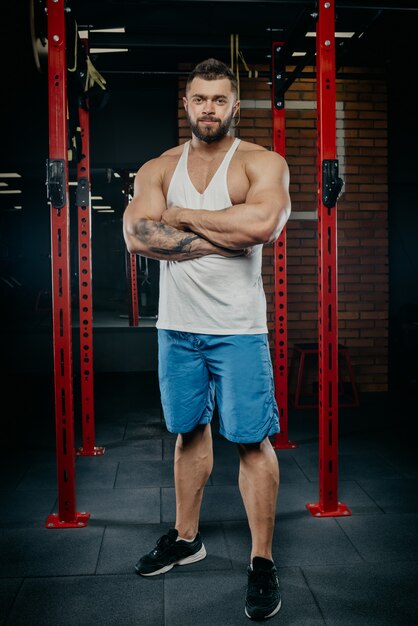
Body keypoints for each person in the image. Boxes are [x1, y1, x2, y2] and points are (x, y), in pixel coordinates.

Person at [123, 58, 291, 621]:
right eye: (200, 99)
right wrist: (224, 231)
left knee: (250, 440)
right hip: (178, 326)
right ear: (187, 104)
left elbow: (261, 225)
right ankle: (186, 538)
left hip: (239, 330)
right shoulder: (160, 165)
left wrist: (182, 216)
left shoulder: (259, 162)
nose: (209, 109)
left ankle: (261, 561)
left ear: (234, 105)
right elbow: (138, 234)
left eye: (220, 100)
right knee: (187, 432)